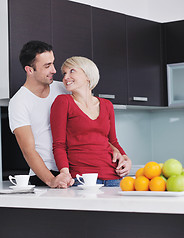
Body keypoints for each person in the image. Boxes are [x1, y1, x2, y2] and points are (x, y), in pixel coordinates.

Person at [8, 41, 130, 188]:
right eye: (47, 66)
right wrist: (51, 180)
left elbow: (91, 126)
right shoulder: (19, 102)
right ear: (30, 70)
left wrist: (117, 151)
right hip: (47, 173)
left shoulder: (63, 87)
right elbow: (28, 150)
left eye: (53, 63)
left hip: (73, 170)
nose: (54, 70)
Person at [50, 56, 132, 187]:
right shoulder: (63, 102)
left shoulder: (107, 105)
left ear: (88, 75)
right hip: (82, 178)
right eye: (64, 73)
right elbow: (59, 145)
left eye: (72, 71)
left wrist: (126, 159)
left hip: (114, 177)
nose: (65, 77)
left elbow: (113, 141)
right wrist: (64, 173)